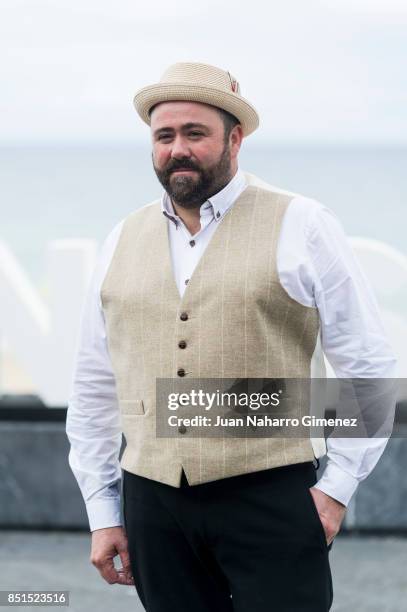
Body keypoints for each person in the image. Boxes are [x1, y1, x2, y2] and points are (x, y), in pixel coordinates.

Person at [66, 62, 397, 611]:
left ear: (234, 139)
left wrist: (335, 491)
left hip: (272, 495)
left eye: (195, 133)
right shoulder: (122, 238)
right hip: (152, 502)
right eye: (164, 136)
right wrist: (104, 513)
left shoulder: (302, 223)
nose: (178, 149)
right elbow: (95, 383)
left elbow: (368, 367)